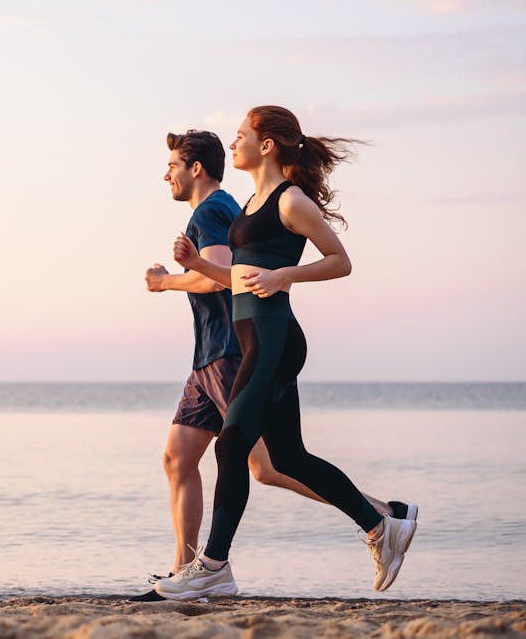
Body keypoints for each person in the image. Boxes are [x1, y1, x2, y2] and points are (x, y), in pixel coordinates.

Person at [154, 106, 417, 600]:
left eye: (240, 136)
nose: (233, 145)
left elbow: (341, 261)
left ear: (266, 144)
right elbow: (241, 277)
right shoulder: (251, 203)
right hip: (256, 336)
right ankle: (383, 525)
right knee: (289, 457)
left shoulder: (290, 201)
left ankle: (212, 566)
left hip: (273, 339)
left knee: (234, 447)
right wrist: (193, 269)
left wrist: (285, 276)